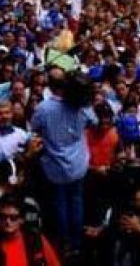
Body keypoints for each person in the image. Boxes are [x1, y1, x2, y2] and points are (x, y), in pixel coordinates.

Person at [30, 68, 95, 256]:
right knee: (76, 202)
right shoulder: (82, 107)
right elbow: (94, 121)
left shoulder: (43, 108)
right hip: (77, 165)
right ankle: (76, 243)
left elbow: (34, 128)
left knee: (60, 205)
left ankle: (64, 243)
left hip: (56, 167)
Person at [0, 192, 61, 266]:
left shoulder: (36, 241)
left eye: (13, 217)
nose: (8, 221)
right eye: (3, 216)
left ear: (22, 219)